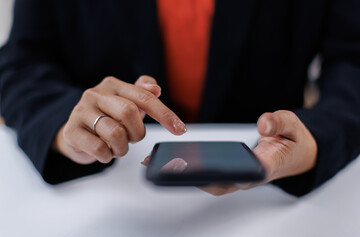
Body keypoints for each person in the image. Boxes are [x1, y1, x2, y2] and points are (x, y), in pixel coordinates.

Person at [0, 0, 359, 197]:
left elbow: (353, 58)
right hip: (102, 193)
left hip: (271, 200)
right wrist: (67, 127)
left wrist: (317, 138)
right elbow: (21, 62)